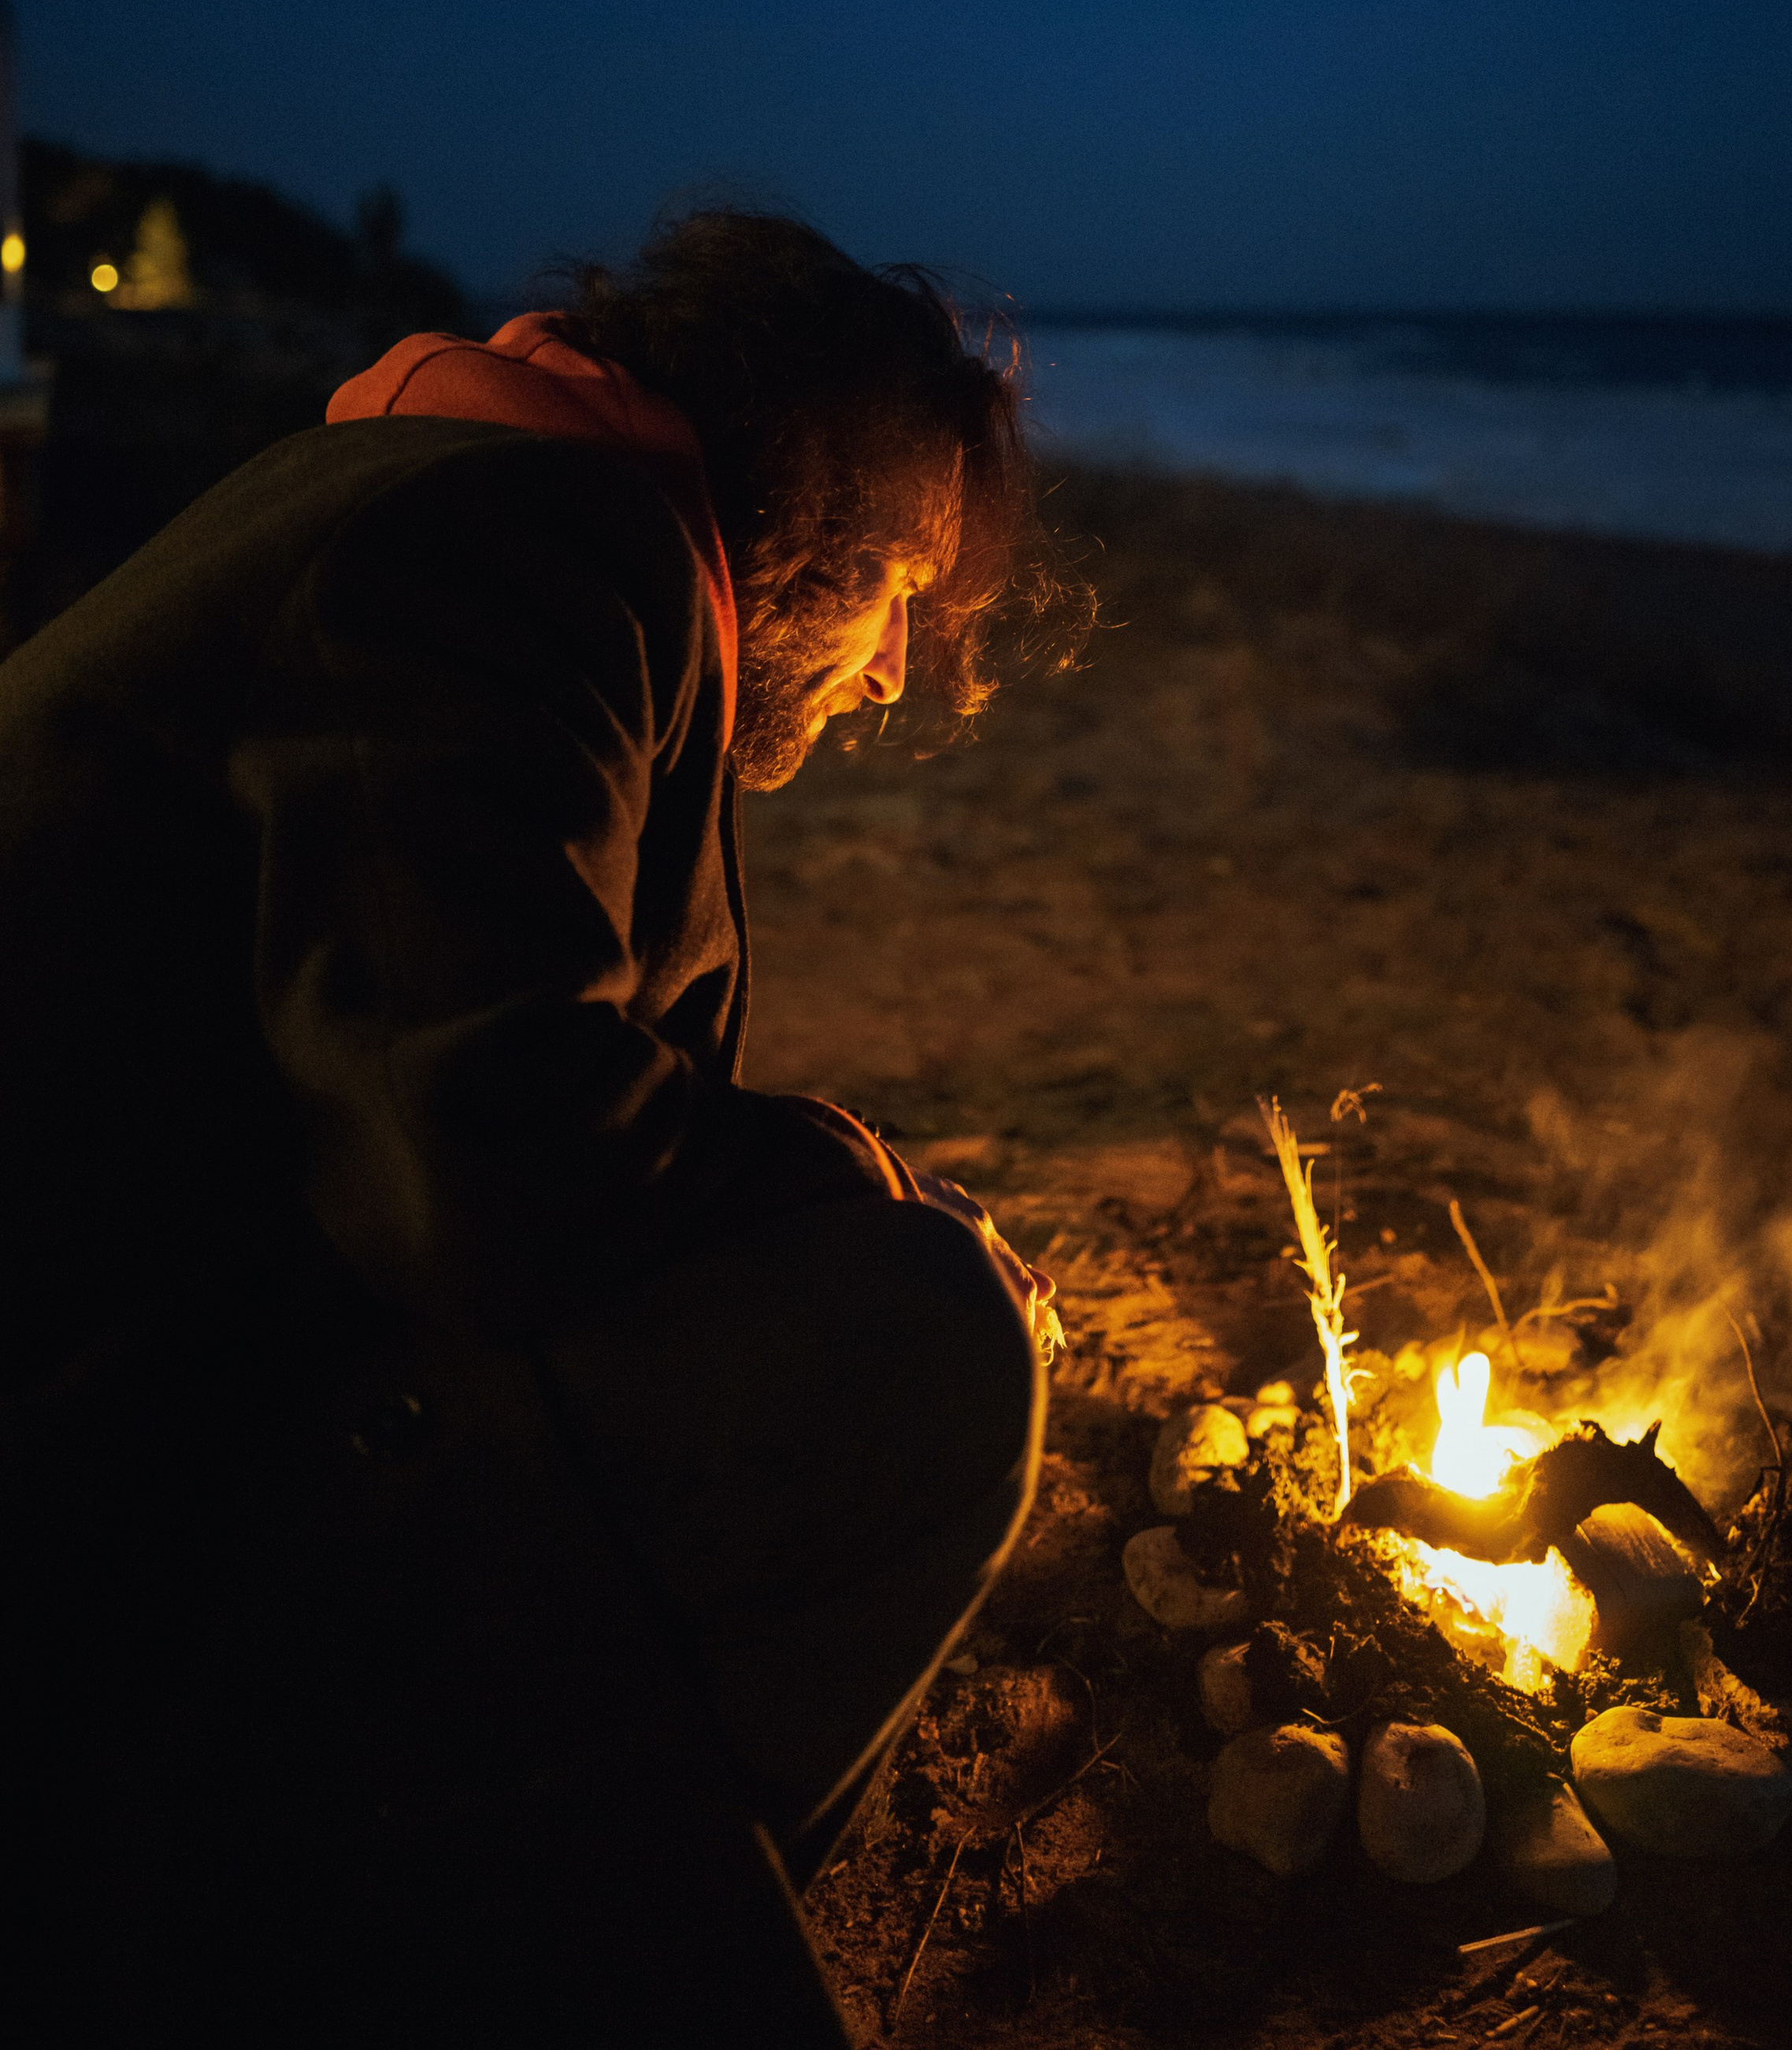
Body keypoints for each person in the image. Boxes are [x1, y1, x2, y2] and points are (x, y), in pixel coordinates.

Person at [0, 209, 1086, 2045]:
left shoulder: (459, 501)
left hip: (145, 1369)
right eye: (902, 582)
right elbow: (485, 1160)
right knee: (929, 1342)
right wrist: (860, 1186)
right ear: (808, 508)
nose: (898, 666)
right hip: (85, 1505)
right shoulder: (508, 550)